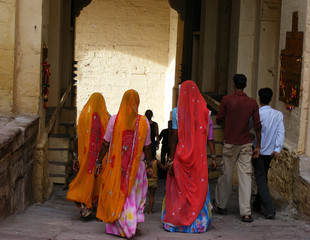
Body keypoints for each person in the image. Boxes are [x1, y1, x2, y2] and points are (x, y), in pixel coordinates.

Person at [95, 89, 153, 238]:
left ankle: (118, 227)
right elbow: (147, 147)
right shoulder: (144, 122)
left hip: (117, 167)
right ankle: (130, 226)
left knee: (118, 194)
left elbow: (105, 143)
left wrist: (98, 160)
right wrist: (150, 165)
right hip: (137, 168)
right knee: (132, 197)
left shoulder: (114, 120)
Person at [161, 80, 213, 233]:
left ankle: (177, 220)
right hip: (198, 158)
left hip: (181, 155)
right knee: (198, 187)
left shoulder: (178, 111)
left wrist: (170, 159)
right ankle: (198, 222)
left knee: (180, 189)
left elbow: (175, 137)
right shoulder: (206, 112)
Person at [214, 74, 262, 223]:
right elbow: (257, 126)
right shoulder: (252, 103)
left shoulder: (227, 100)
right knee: (245, 176)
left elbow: (219, 118)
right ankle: (246, 212)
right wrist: (258, 146)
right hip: (246, 143)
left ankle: (221, 205)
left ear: (234, 84)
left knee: (226, 175)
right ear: (245, 85)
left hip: (230, 142)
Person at [66, 92, 110, 218]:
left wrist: (76, 157)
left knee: (83, 181)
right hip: (101, 159)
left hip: (87, 159)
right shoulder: (107, 118)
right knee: (99, 182)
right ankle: (95, 209)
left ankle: (86, 207)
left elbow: (78, 138)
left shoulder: (84, 117)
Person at [252, 88, 285, 219]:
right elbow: (280, 132)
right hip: (270, 151)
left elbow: (250, 126)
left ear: (260, 99)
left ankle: (269, 208)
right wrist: (277, 148)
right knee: (263, 176)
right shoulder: (278, 115)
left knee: (260, 178)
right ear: (270, 98)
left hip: (258, 150)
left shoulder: (257, 114)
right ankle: (257, 203)